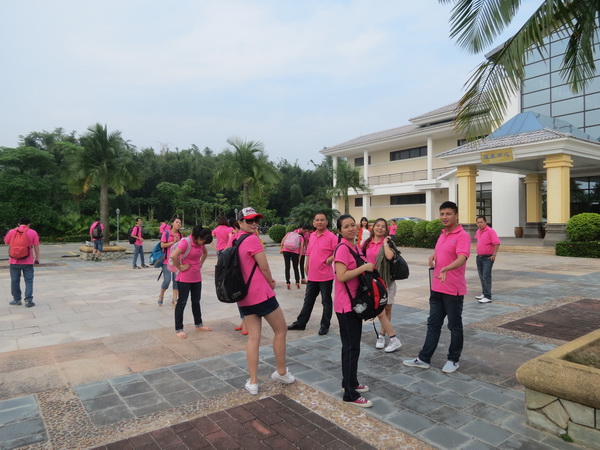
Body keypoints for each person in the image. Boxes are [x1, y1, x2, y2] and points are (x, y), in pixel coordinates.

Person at [403, 201, 470, 374]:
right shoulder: (443, 234)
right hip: (437, 286)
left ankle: (453, 359)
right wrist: (434, 256)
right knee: (433, 324)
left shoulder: (462, 235)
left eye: (448, 214)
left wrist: (447, 268)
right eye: (442, 214)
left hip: (453, 289)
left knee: (454, 325)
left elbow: (462, 257)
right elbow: (444, 252)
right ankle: (424, 358)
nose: (444, 217)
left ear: (456, 215)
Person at [235, 207, 295, 395]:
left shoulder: (235, 240)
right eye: (249, 221)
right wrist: (270, 282)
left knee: (254, 338)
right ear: (240, 222)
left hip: (244, 297)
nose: (254, 224)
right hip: (261, 294)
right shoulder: (253, 239)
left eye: (256, 220)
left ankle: (253, 382)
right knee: (281, 329)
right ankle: (281, 372)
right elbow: (264, 267)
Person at [334, 214, 375, 408]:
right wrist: (364, 267)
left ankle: (349, 382)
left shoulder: (355, 247)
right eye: (346, 226)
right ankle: (350, 394)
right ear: (340, 231)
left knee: (352, 347)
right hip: (346, 306)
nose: (351, 228)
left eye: (353, 225)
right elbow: (341, 276)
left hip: (355, 304)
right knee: (351, 348)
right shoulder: (342, 249)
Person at [288, 213, 338, 336]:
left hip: (326, 276)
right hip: (313, 276)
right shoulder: (312, 236)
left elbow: (339, 251)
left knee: (326, 302)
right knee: (308, 301)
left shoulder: (332, 237)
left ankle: (324, 325)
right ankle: (301, 323)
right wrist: (306, 265)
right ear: (313, 223)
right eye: (317, 220)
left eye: (322, 220)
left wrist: (330, 259)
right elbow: (309, 252)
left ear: (326, 222)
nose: (319, 222)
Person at [362, 218, 402, 353]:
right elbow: (362, 258)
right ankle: (392, 338)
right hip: (374, 283)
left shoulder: (388, 243)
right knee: (380, 311)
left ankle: (382, 336)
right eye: (377, 226)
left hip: (387, 281)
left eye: (383, 227)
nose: (380, 228)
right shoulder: (367, 243)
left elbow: (390, 257)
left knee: (387, 310)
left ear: (386, 230)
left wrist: (385, 243)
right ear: (373, 227)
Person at [171, 225, 213, 339]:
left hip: (196, 277)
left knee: (196, 301)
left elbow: (205, 253)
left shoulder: (201, 243)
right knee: (182, 302)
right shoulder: (186, 242)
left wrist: (201, 263)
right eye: (203, 241)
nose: (203, 244)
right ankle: (179, 329)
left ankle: (199, 324)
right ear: (198, 237)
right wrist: (180, 267)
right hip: (184, 278)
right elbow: (173, 256)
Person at [5, 217, 40, 308]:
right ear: (29, 224)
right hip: (28, 261)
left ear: (18, 224)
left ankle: (16, 300)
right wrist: (37, 258)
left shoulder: (12, 231)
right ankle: (28, 300)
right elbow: (36, 246)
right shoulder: (33, 232)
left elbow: (6, 242)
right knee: (29, 281)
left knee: (15, 281)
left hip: (14, 261)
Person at [475, 216, 501, 304]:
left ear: (485, 222)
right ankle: (484, 293)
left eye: (481, 222)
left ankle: (487, 296)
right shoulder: (478, 231)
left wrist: (494, 254)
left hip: (488, 258)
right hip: (479, 257)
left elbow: (497, 243)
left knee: (486, 276)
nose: (479, 224)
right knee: (481, 276)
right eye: (478, 222)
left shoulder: (490, 231)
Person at [157, 218, 182, 307]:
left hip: (176, 261)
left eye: (180, 223)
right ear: (172, 223)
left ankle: (174, 298)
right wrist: (173, 242)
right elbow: (162, 245)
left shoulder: (180, 235)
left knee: (176, 281)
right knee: (167, 280)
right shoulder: (166, 233)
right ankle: (161, 294)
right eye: (177, 222)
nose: (178, 224)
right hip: (166, 261)